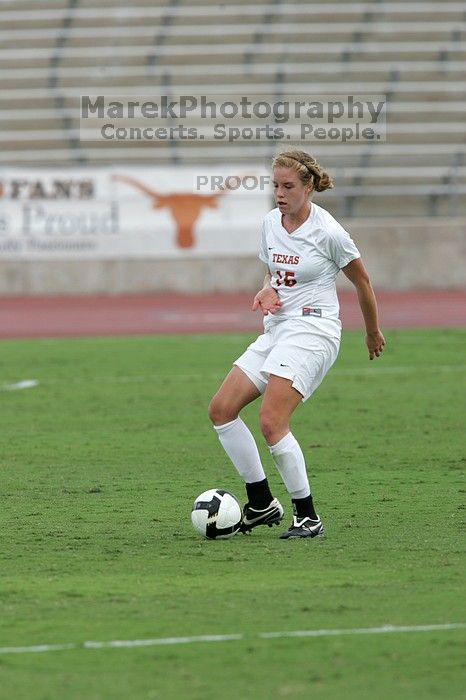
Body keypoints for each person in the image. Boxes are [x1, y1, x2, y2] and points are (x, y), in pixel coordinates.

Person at [208, 150, 385, 539]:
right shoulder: (271, 223)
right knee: (221, 410)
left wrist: (371, 331)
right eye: (275, 185)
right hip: (278, 328)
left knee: (272, 422)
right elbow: (273, 270)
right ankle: (260, 503)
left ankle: (307, 516)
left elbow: (363, 282)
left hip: (314, 331)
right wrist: (267, 289)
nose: (279, 193)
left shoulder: (329, 232)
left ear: (309, 187)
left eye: (288, 186)